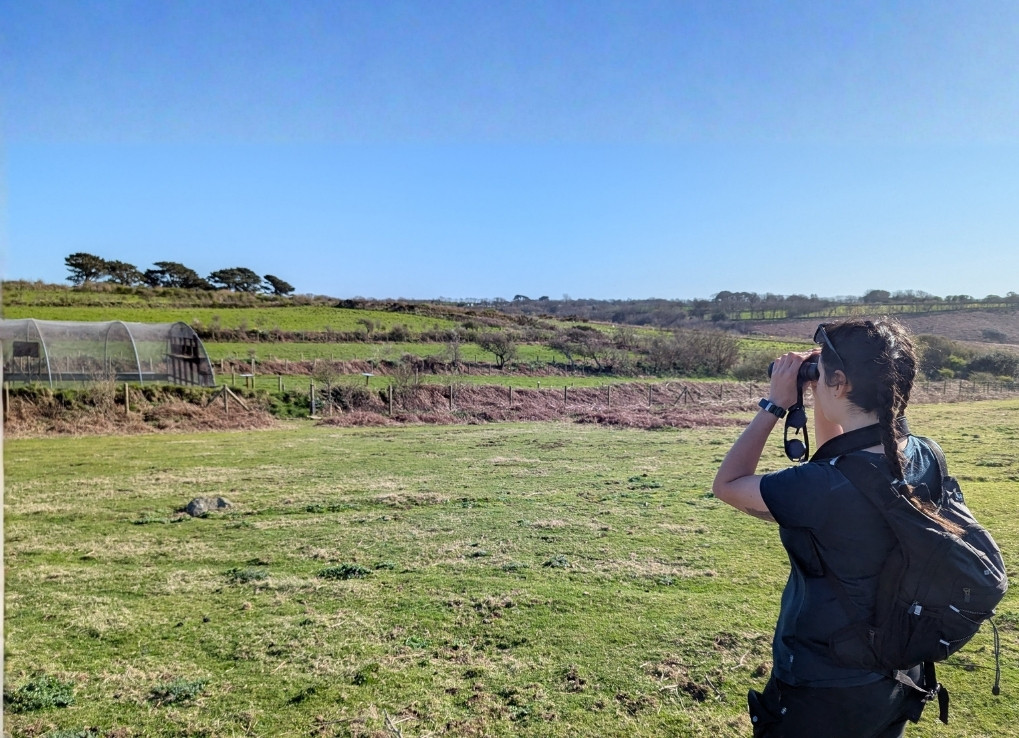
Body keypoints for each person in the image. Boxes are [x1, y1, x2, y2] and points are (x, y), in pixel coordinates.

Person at [712, 318, 940, 737]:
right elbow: (835, 454)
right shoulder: (925, 455)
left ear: (840, 381)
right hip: (897, 670)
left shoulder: (820, 488)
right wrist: (822, 388)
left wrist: (775, 404)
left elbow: (726, 485)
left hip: (823, 683)